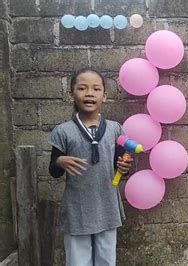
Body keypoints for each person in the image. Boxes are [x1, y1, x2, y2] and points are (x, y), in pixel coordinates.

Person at [48, 68, 132, 266]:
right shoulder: (63, 131)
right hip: (77, 208)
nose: (89, 93)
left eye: (96, 89)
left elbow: (121, 167)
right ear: (71, 94)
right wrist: (60, 161)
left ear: (104, 96)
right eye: (82, 88)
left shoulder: (115, 129)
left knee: (106, 259)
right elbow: (54, 171)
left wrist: (126, 166)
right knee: (78, 260)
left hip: (107, 206)